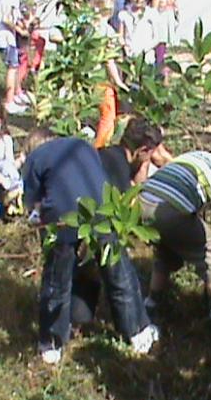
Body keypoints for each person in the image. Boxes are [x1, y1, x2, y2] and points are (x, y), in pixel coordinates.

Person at [23, 129, 158, 365]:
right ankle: (138, 332)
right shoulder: (81, 145)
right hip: (102, 211)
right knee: (119, 275)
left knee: (57, 282)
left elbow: (34, 205)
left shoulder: (35, 158)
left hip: (64, 217)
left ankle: (52, 344)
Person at [72, 117, 164, 325]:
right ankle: (134, 328)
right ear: (142, 150)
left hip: (75, 221)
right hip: (95, 227)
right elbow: (125, 210)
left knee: (83, 283)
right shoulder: (119, 169)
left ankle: (77, 321)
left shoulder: (108, 154)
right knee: (121, 277)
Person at [140, 150, 211, 323]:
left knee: (166, 249)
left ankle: (152, 302)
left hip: (143, 199)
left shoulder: (201, 156)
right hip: (170, 207)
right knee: (209, 248)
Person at [91, 0, 131, 149]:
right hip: (102, 81)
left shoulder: (86, 27)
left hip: (85, 78)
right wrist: (118, 82)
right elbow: (108, 60)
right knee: (108, 116)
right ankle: (99, 149)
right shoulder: (106, 31)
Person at [0, 0, 31, 115]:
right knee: (12, 68)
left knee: (13, 67)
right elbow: (7, 19)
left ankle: (16, 94)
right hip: (7, 39)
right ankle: (9, 100)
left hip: (2, 38)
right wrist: (21, 31)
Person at [117, 0, 161, 65]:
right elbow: (120, 36)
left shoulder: (151, 13)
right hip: (130, 57)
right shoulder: (124, 14)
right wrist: (125, 46)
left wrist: (144, 50)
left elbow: (157, 37)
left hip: (147, 58)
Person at [151, 0, 179, 81]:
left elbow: (175, 23)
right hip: (156, 39)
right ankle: (159, 76)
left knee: (162, 59)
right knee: (157, 58)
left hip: (164, 39)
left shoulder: (169, 11)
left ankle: (163, 77)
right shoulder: (154, 12)